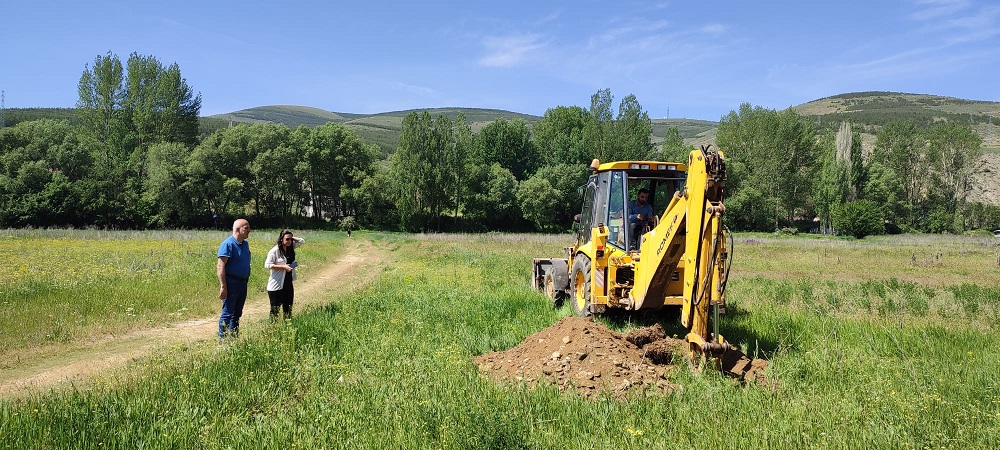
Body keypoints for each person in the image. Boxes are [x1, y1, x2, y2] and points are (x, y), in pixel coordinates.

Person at [217, 219, 252, 338]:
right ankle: (222, 340)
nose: (249, 230)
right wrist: (223, 286)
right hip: (231, 283)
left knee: (237, 313)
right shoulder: (228, 244)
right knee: (227, 313)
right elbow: (220, 266)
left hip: (243, 283)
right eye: (246, 228)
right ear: (237, 229)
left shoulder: (245, 244)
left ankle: (233, 339)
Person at [265, 230, 304, 321]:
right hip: (277, 284)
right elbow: (267, 265)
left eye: (291, 239)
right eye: (287, 239)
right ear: (281, 239)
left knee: (288, 307)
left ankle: (287, 327)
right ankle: (272, 329)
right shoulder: (274, 251)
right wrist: (283, 267)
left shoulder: (291, 247)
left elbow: (302, 241)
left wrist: (291, 237)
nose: (289, 241)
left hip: (288, 282)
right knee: (275, 309)